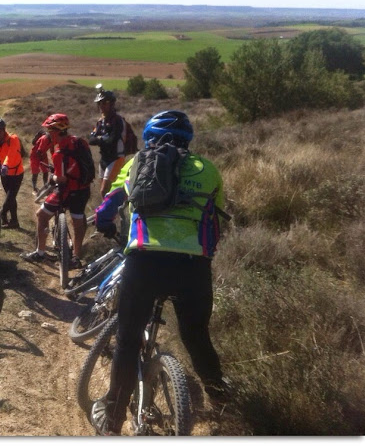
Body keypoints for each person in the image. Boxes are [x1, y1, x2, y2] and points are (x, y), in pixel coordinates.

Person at [91, 110, 229, 436]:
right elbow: (217, 221)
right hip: (192, 268)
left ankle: (112, 416)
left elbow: (107, 208)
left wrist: (104, 223)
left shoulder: (137, 163)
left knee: (126, 339)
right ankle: (220, 395)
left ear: (150, 137)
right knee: (196, 335)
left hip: (145, 263)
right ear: (189, 138)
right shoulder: (208, 170)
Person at [21, 114, 90, 269]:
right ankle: (77, 257)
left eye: (49, 130)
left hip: (67, 191)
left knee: (41, 215)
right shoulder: (81, 142)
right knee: (78, 220)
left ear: (56, 131)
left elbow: (61, 179)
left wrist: (52, 178)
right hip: (83, 190)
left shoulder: (59, 153)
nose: (48, 134)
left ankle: (40, 253)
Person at [88, 85, 129, 195]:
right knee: (105, 193)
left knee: (105, 190)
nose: (102, 106)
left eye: (105, 103)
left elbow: (112, 140)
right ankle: (112, 211)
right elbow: (91, 140)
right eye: (100, 103)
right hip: (104, 158)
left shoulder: (118, 121)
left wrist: (99, 139)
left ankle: (113, 211)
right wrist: (101, 139)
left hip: (116, 158)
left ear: (111, 104)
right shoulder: (100, 122)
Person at [0, 117, 25, 229]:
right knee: (11, 198)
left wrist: (5, 165)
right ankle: (14, 221)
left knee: (9, 198)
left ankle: (1, 213)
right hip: (5, 174)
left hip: (17, 173)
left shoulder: (13, 139)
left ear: (4, 129)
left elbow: (11, 154)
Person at [29, 129, 52, 193]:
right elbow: (39, 151)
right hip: (35, 155)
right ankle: (34, 187)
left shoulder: (52, 140)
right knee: (35, 171)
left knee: (46, 170)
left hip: (43, 154)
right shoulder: (45, 139)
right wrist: (42, 161)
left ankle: (45, 186)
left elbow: (52, 151)